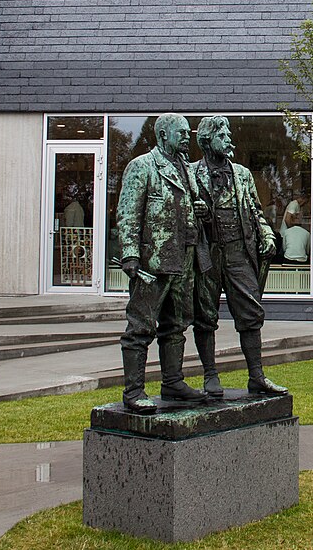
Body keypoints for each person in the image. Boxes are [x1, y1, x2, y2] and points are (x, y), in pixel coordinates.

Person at [115, 113, 208, 413]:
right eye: (181, 133)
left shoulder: (187, 169)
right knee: (140, 326)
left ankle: (173, 382)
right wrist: (130, 254)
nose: (186, 138)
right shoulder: (142, 166)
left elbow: (189, 205)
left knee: (177, 324)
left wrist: (200, 209)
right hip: (153, 262)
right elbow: (128, 213)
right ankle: (133, 391)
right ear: (163, 134)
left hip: (185, 259)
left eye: (187, 133)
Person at [190, 116, 288, 397]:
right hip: (207, 254)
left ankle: (256, 376)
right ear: (207, 140)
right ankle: (210, 375)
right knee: (205, 315)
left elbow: (255, 211)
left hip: (238, 252)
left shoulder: (242, 174)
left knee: (251, 312)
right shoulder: (191, 173)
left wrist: (267, 235)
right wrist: (197, 213)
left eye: (229, 134)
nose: (229, 139)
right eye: (222, 135)